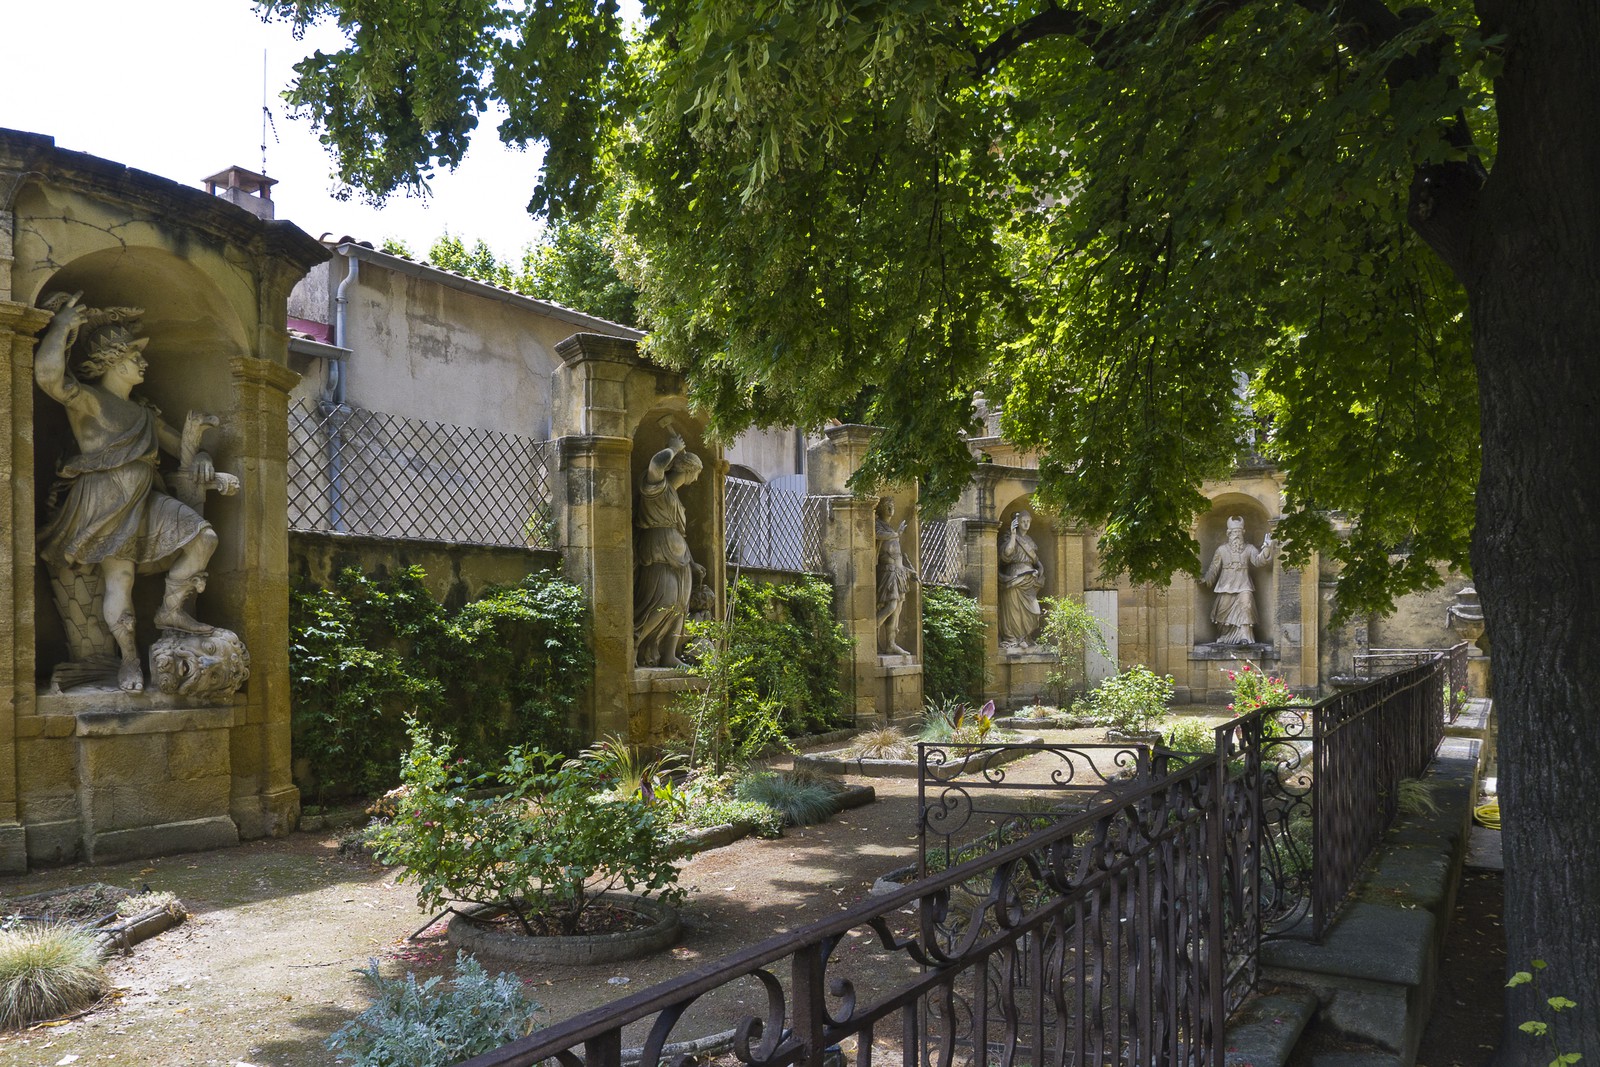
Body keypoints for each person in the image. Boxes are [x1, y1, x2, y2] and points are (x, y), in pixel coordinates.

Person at [34, 294, 222, 692]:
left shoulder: (144, 412)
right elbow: (50, 379)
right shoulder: (87, 399)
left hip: (146, 498)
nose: (144, 363)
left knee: (204, 537)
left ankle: (171, 610)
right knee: (120, 579)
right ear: (113, 361)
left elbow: (179, 446)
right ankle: (130, 661)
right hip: (103, 502)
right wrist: (61, 327)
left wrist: (202, 453)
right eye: (135, 357)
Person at [633, 424, 703, 667]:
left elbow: (679, 533)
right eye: (697, 473)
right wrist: (672, 449)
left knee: (680, 606)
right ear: (690, 470)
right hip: (658, 553)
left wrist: (692, 563)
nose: (697, 479)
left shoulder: (675, 497)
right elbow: (655, 465)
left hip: (679, 557)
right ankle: (634, 643)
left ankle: (669, 654)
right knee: (664, 602)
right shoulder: (658, 488)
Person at [1201, 515, 1275, 644]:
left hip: (1244, 585)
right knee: (1223, 612)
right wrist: (1205, 579)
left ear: (1243, 533)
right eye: (1234, 532)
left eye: (1239, 532)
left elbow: (1259, 561)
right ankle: (1225, 636)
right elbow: (1213, 569)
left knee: (1246, 606)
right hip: (1225, 586)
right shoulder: (1221, 550)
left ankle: (1245, 636)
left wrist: (1267, 548)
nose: (1237, 535)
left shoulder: (1249, 548)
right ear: (1229, 533)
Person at [874, 496, 917, 656]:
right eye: (887, 505)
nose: (891, 507)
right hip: (887, 572)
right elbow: (877, 535)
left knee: (897, 610)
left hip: (899, 573)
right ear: (879, 508)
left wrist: (909, 572)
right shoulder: (878, 525)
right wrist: (897, 534)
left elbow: (898, 558)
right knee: (890, 606)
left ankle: (891, 644)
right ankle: (872, 632)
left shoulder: (890, 528)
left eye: (892, 504)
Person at [998, 510, 1045, 649]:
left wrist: (1039, 571)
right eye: (1023, 521)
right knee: (1014, 611)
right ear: (1017, 523)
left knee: (1034, 611)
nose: (1026, 524)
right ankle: (1014, 639)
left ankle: (1026, 637)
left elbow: (1037, 562)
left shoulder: (1030, 541)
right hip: (1014, 578)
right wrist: (1013, 535)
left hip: (1029, 579)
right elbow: (1006, 554)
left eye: (1028, 521)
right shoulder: (1009, 537)